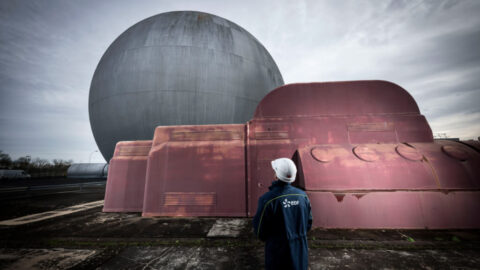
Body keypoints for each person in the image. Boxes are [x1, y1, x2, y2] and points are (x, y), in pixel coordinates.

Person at [253, 158, 313, 270]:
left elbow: (260, 230)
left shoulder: (267, 200)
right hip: (299, 251)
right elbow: (308, 223)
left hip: (277, 253)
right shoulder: (303, 196)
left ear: (276, 176)